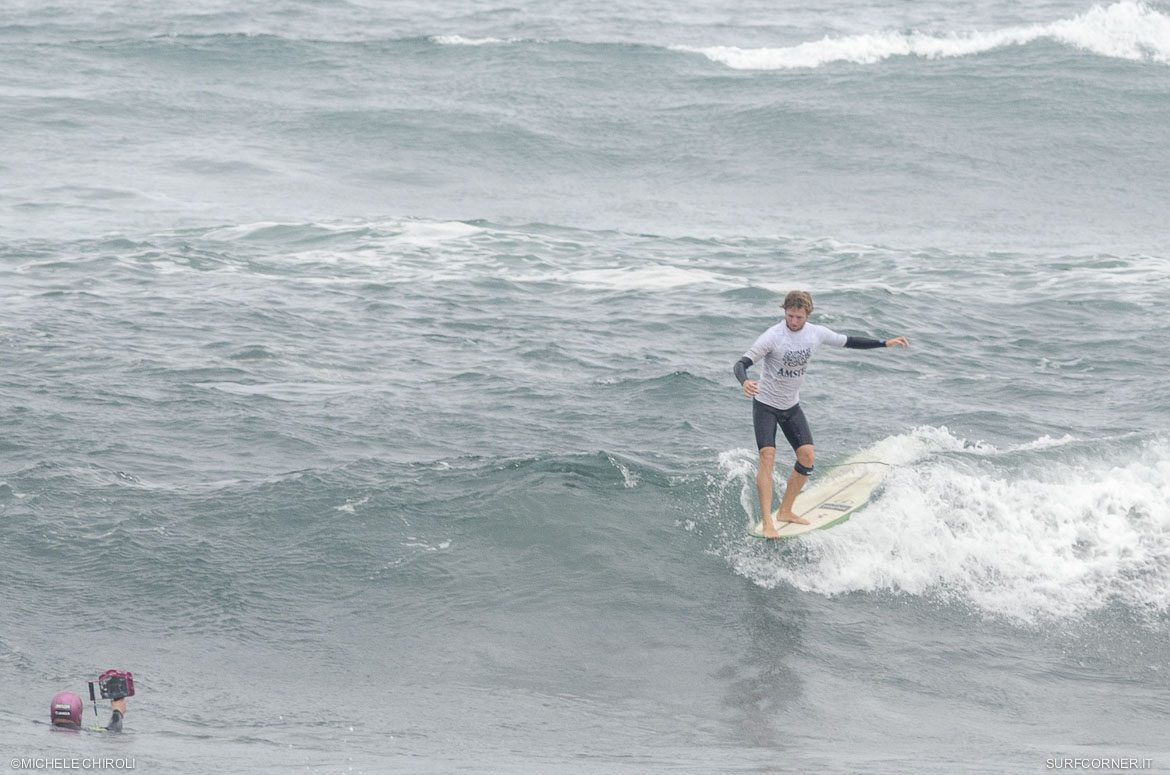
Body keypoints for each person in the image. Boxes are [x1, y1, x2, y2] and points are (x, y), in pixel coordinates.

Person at [733, 290, 908, 539]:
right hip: (766, 405)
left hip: (790, 406)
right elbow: (741, 363)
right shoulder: (773, 336)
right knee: (767, 457)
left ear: (808, 314)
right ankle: (768, 522)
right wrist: (744, 381)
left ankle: (785, 511)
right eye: (790, 316)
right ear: (784, 311)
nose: (794, 321)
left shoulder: (816, 333)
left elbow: (849, 341)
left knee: (807, 457)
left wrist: (884, 343)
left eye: (799, 317)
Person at [49, 691, 127, 732]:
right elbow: (113, 731)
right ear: (79, 715)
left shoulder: (44, 727)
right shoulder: (86, 732)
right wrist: (117, 712)